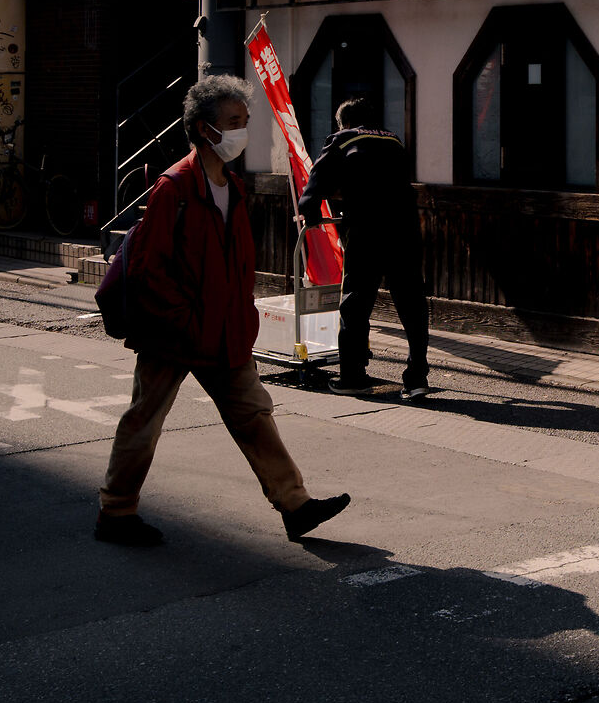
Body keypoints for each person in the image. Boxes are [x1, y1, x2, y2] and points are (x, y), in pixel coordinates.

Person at [96, 74, 350, 547]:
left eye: (244, 120)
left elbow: (237, 266)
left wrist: (243, 318)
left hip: (225, 331)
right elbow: (149, 269)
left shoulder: (232, 186)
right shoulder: (174, 187)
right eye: (234, 122)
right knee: (144, 421)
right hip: (175, 334)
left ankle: (295, 504)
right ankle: (116, 510)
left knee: (254, 414)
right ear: (203, 128)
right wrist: (184, 319)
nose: (242, 131)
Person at [299, 97, 429, 395]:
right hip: (405, 229)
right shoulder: (394, 140)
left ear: (344, 122)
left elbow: (316, 181)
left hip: (367, 229)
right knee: (412, 303)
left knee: (356, 302)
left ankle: (353, 377)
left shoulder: (343, 139)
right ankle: (417, 378)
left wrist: (310, 211)